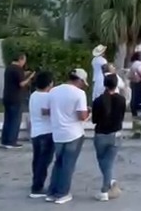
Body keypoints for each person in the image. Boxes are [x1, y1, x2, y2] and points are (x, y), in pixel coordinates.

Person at [46, 68, 90, 204]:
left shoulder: (54, 91)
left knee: (58, 163)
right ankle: (62, 193)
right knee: (68, 164)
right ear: (80, 80)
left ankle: (52, 192)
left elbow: (49, 110)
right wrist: (88, 112)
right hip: (73, 133)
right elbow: (81, 116)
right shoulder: (79, 94)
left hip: (58, 132)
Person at [91, 74, 126, 201]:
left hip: (101, 133)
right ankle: (109, 182)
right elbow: (121, 116)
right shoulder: (121, 99)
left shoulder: (98, 101)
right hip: (115, 133)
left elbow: (94, 120)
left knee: (103, 161)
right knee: (109, 161)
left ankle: (105, 188)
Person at [28, 72, 54, 199]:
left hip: (36, 132)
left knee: (37, 159)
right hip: (46, 132)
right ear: (50, 84)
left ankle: (35, 181)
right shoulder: (47, 97)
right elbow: (45, 112)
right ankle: (37, 187)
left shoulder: (33, 95)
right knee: (44, 161)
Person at [1, 53, 35, 149]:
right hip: (16, 97)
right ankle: (12, 141)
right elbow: (21, 83)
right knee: (15, 120)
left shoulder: (9, 68)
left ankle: (5, 141)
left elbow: (15, 79)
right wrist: (30, 77)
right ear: (21, 59)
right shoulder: (18, 69)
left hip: (7, 97)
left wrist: (24, 74)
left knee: (7, 120)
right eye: (24, 61)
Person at [128, 52, 141, 118]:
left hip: (133, 82)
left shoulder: (133, 64)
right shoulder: (139, 64)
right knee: (138, 96)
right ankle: (138, 110)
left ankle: (133, 110)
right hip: (139, 82)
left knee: (133, 96)